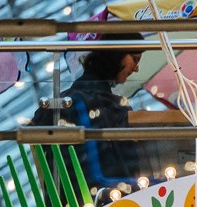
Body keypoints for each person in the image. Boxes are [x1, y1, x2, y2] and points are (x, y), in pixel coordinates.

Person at [32, 44, 145, 195]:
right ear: (117, 56)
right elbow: (124, 169)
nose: (136, 68)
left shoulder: (55, 106)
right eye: (135, 59)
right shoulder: (106, 105)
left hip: (69, 201)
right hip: (110, 199)